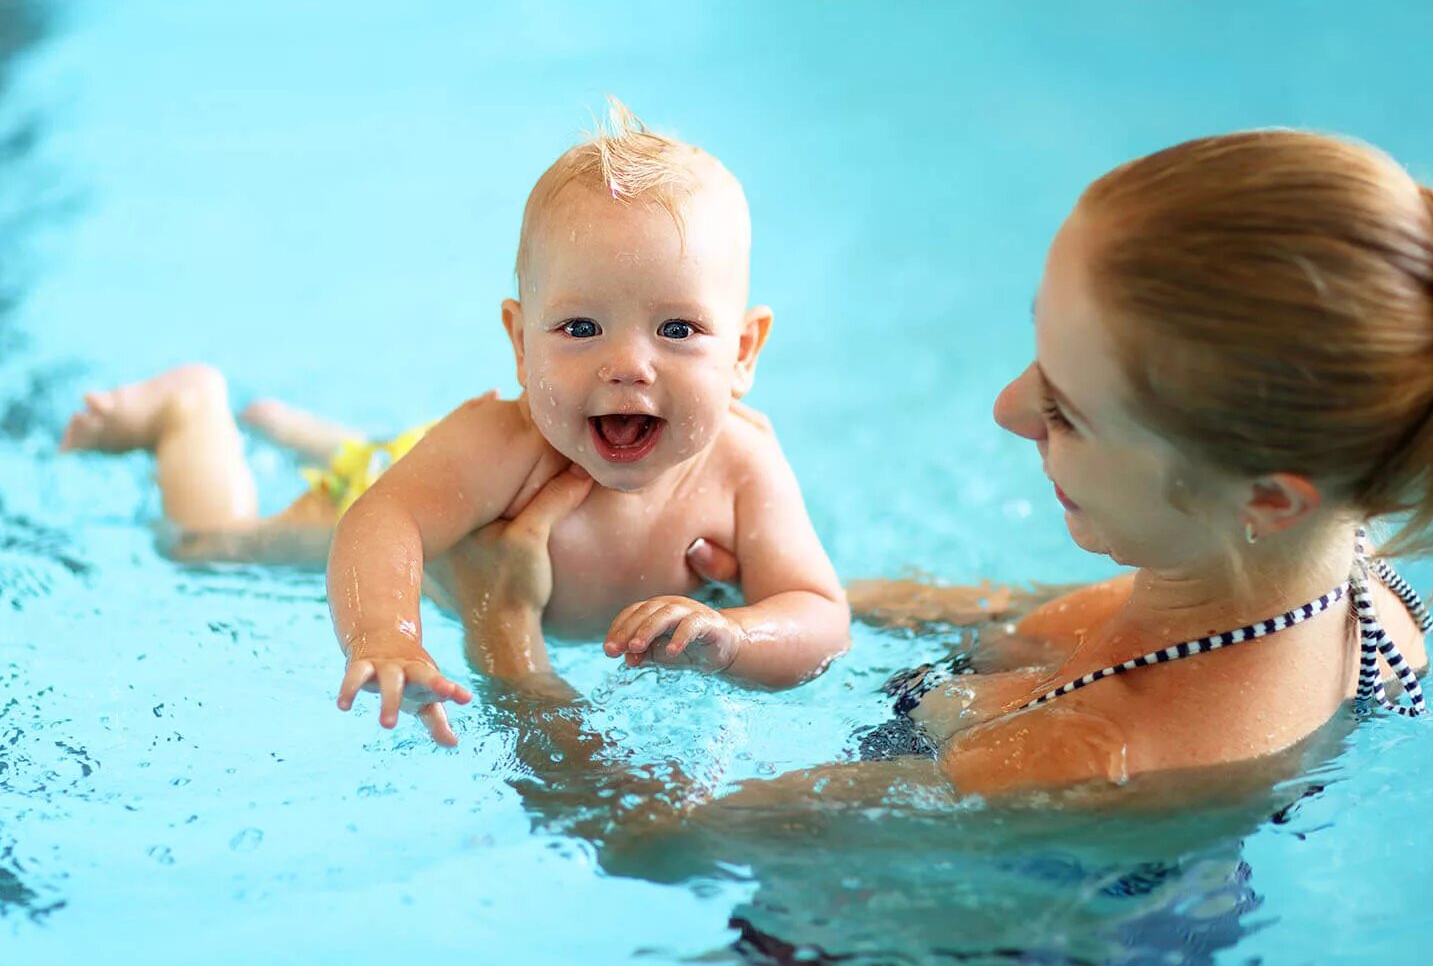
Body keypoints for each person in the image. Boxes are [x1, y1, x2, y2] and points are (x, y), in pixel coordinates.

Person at [461, 128, 1433, 798]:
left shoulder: (1085, 755)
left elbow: (653, 847)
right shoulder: (1342, 568)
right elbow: (1046, 620)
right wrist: (760, 603)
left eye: (1066, 408)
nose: (1009, 407)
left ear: (1269, 492)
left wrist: (505, 640)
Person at [59, 99, 849, 747]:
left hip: (443, 474)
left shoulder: (744, 466)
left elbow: (817, 612)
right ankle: (188, 412)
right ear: (518, 341)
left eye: (678, 330)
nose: (628, 366)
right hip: (405, 480)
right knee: (214, 549)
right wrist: (384, 630)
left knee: (419, 465)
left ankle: (308, 431)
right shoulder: (508, 446)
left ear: (744, 352)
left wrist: (736, 638)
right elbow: (384, 518)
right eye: (579, 329)